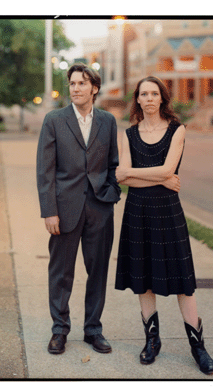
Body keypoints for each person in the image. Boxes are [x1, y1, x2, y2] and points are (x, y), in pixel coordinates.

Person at [115, 76, 213, 375]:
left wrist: (133, 173)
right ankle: (152, 341)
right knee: (144, 279)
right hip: (138, 211)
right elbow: (122, 179)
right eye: (143, 93)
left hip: (168, 212)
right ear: (138, 99)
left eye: (154, 93)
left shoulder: (177, 130)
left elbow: (168, 169)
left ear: (162, 98)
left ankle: (198, 347)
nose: (148, 98)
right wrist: (158, 178)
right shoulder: (128, 134)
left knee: (183, 283)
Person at [36, 63, 121, 355]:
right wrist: (49, 210)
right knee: (61, 272)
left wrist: (111, 195)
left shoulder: (108, 121)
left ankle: (93, 330)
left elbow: (113, 163)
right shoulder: (54, 120)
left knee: (97, 271)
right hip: (64, 208)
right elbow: (45, 170)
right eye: (72, 84)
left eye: (81, 84)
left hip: (100, 208)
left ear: (94, 89)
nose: (75, 89)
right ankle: (59, 330)